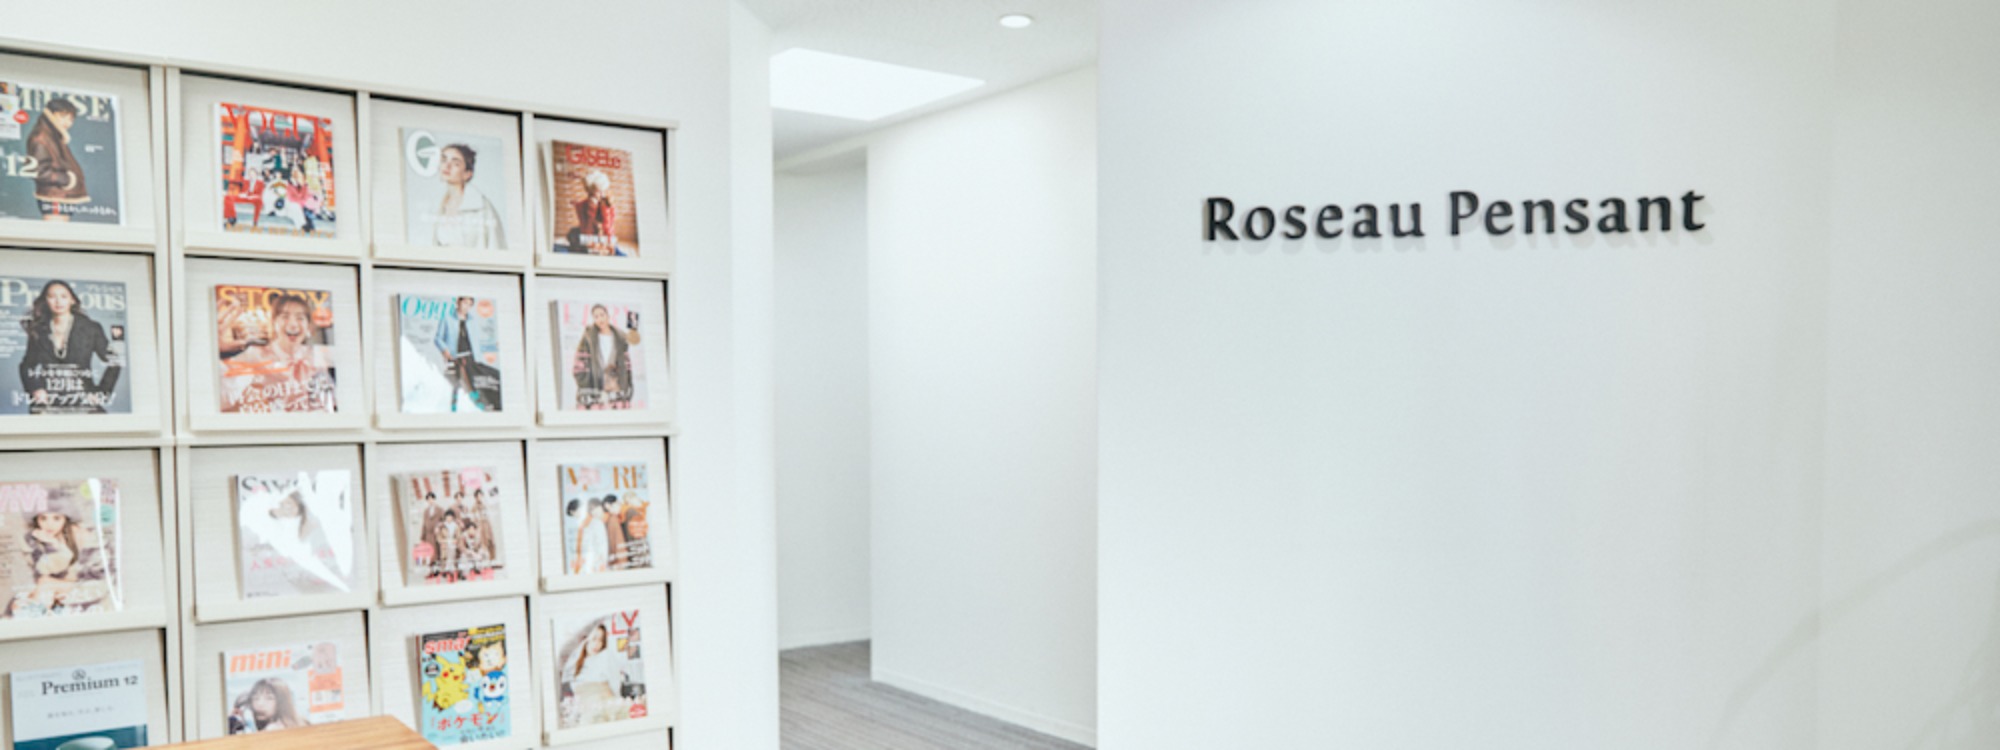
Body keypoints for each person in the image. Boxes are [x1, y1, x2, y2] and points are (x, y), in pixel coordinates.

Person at [217, 292, 336, 413]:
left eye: (300, 318)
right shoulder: (255, 354)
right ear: (274, 322)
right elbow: (223, 399)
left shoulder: (316, 355)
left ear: (308, 325)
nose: (293, 324)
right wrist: (213, 351)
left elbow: (329, 403)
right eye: (285, 317)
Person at [17, 279, 120, 414]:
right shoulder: (38, 329)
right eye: (52, 297)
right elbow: (26, 366)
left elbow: (114, 361)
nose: (58, 301)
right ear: (45, 301)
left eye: (64, 296)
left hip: (83, 398)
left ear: (72, 300)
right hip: (48, 401)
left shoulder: (90, 328)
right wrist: (35, 389)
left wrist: (101, 393)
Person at [428, 143, 506, 248]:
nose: (447, 166)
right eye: (444, 160)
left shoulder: (483, 208)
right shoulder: (438, 207)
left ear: (467, 174)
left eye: (455, 163)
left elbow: (497, 246)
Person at [24, 97, 88, 222]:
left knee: (60, 231)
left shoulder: (53, 136)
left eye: (71, 119)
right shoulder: (42, 137)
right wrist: (67, 180)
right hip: (55, 195)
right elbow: (38, 171)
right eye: (63, 116)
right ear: (51, 114)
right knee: (56, 230)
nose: (67, 122)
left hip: (59, 195)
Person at [565, 622, 630, 725]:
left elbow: (616, 685)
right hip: (588, 715)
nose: (597, 644)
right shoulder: (575, 665)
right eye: (594, 639)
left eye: (601, 640)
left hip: (608, 710)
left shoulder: (605, 657)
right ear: (585, 639)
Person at [570, 304, 632, 410]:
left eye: (602, 315)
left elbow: (626, 365)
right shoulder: (588, 338)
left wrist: (625, 383)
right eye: (596, 316)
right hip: (594, 391)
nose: (600, 319)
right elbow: (578, 364)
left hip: (615, 391)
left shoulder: (620, 337)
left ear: (608, 316)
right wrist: (586, 385)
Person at [431, 296, 486, 411]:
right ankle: (453, 407)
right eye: (465, 302)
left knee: (472, 384)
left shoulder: (472, 320)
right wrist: (445, 350)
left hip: (471, 357)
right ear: (458, 302)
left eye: (469, 304)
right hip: (455, 358)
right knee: (454, 384)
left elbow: (476, 341)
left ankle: (477, 407)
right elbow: (437, 338)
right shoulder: (447, 318)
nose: (466, 306)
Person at [565, 170, 618, 255]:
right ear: (590, 192)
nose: (602, 194)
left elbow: (609, 230)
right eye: (599, 191)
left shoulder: (608, 205)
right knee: (573, 235)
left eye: (604, 190)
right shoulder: (582, 206)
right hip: (588, 237)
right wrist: (591, 211)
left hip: (604, 238)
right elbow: (586, 233)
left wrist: (605, 210)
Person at [228, 678, 307, 734]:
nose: (260, 704)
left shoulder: (275, 729)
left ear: (282, 701)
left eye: (269, 698)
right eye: (255, 698)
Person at [567, 498, 608, 574]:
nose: (575, 516)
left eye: (574, 513)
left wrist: (597, 564)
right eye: (573, 514)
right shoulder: (582, 526)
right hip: (586, 567)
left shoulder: (596, 522)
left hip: (596, 568)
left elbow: (602, 546)